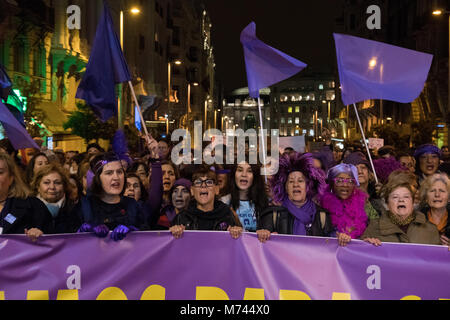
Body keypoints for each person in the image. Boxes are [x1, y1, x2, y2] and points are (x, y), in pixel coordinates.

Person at [258, 152, 334, 243]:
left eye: (300, 181)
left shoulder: (322, 216)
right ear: (285, 187)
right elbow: (261, 250)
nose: (295, 185)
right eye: (291, 181)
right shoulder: (273, 214)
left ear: (308, 186)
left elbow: (330, 248)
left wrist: (341, 238)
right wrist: (262, 235)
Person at [74, 152, 146, 241]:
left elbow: (147, 240)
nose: (116, 177)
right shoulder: (86, 205)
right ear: (97, 178)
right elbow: (69, 244)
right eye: (109, 173)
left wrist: (134, 232)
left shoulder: (132, 205)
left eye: (119, 172)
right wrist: (81, 231)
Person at [170, 165, 243, 239]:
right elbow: (170, 246)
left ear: (216, 189)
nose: (203, 185)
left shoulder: (227, 215)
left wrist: (237, 232)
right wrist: (173, 232)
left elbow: (238, 245)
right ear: (192, 190)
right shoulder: (182, 218)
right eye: (198, 182)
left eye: (209, 182)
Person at [362, 177, 441, 246]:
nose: (401, 200)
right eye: (395, 197)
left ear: (413, 202)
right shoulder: (374, 227)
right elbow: (361, 255)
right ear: (387, 204)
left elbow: (437, 259)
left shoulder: (431, 229)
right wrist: (367, 245)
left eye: (406, 197)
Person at [0, 153, 53, 241]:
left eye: (0, 172)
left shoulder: (33, 206)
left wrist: (40, 237)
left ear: (11, 178)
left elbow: (54, 243)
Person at [319, 163, 371, 246]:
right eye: (339, 181)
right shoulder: (321, 206)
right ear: (332, 184)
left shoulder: (365, 202)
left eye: (350, 181)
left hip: (360, 252)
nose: (345, 185)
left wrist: (367, 237)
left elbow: (375, 224)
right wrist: (337, 236)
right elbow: (320, 236)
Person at [30, 163, 80, 233]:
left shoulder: (76, 209)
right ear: (38, 186)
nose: (52, 187)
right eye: (46, 183)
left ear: (64, 186)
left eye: (57, 183)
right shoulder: (28, 209)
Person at [225, 161, 268, 232]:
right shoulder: (224, 202)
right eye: (240, 170)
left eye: (249, 171)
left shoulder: (265, 202)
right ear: (234, 174)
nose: (244, 174)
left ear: (255, 176)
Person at [418, 173, 450, 246]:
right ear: (426, 197)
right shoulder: (416, 219)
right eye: (432, 191)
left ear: (449, 198)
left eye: (442, 191)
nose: (437, 195)